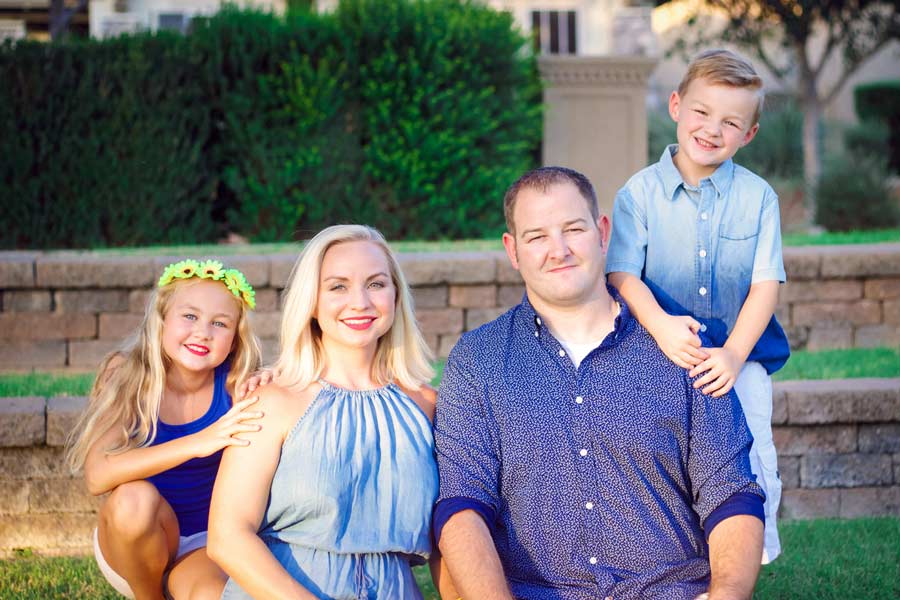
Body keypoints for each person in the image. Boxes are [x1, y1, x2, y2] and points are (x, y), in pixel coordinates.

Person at [434, 166, 765, 600]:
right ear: (512, 250)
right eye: (537, 237)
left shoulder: (682, 348)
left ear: (602, 231)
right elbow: (462, 505)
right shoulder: (478, 361)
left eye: (573, 229)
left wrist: (727, 595)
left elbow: (732, 493)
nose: (559, 250)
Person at [606, 49, 789, 563]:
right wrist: (661, 327)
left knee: (753, 454)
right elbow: (621, 274)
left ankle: (746, 561)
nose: (712, 129)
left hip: (739, 358)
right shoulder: (637, 194)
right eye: (702, 112)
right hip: (659, 354)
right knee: (667, 464)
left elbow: (764, 285)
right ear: (676, 106)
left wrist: (732, 355)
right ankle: (675, 562)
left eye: (731, 122)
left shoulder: (759, 198)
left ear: (748, 134)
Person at [208, 225, 447, 599]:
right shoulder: (273, 401)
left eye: (376, 284)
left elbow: (450, 538)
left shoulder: (427, 407)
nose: (360, 303)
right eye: (338, 286)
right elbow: (227, 537)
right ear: (312, 302)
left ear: (396, 295)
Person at [66, 259, 263, 600]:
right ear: (161, 321)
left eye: (220, 323)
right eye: (189, 316)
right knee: (133, 500)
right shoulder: (129, 374)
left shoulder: (237, 383)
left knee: (212, 595)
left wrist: (274, 383)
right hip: (133, 540)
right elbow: (97, 476)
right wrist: (198, 442)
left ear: (233, 340)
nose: (203, 332)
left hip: (205, 542)